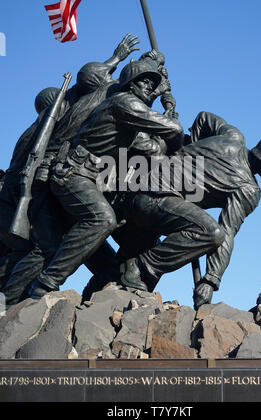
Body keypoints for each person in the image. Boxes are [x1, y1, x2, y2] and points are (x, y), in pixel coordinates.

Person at [25, 57, 184, 300]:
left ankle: (97, 293)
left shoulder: (128, 113)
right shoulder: (124, 103)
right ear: (130, 84)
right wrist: (172, 127)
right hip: (74, 173)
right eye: (146, 83)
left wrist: (168, 111)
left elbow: (152, 147)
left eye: (153, 84)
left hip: (89, 178)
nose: (150, 88)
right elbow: (174, 131)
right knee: (103, 220)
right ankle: (44, 285)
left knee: (113, 250)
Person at [1, 34, 141, 304]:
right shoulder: (45, 127)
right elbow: (87, 77)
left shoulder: (66, 118)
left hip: (53, 188)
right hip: (32, 189)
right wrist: (116, 59)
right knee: (47, 248)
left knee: (103, 260)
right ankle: (9, 304)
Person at [116, 111, 261, 308]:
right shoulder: (248, 189)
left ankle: (119, 282)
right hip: (153, 201)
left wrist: (188, 154)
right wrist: (211, 279)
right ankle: (140, 266)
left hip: (137, 192)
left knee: (129, 279)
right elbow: (225, 232)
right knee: (210, 232)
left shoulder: (233, 136)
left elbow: (203, 118)